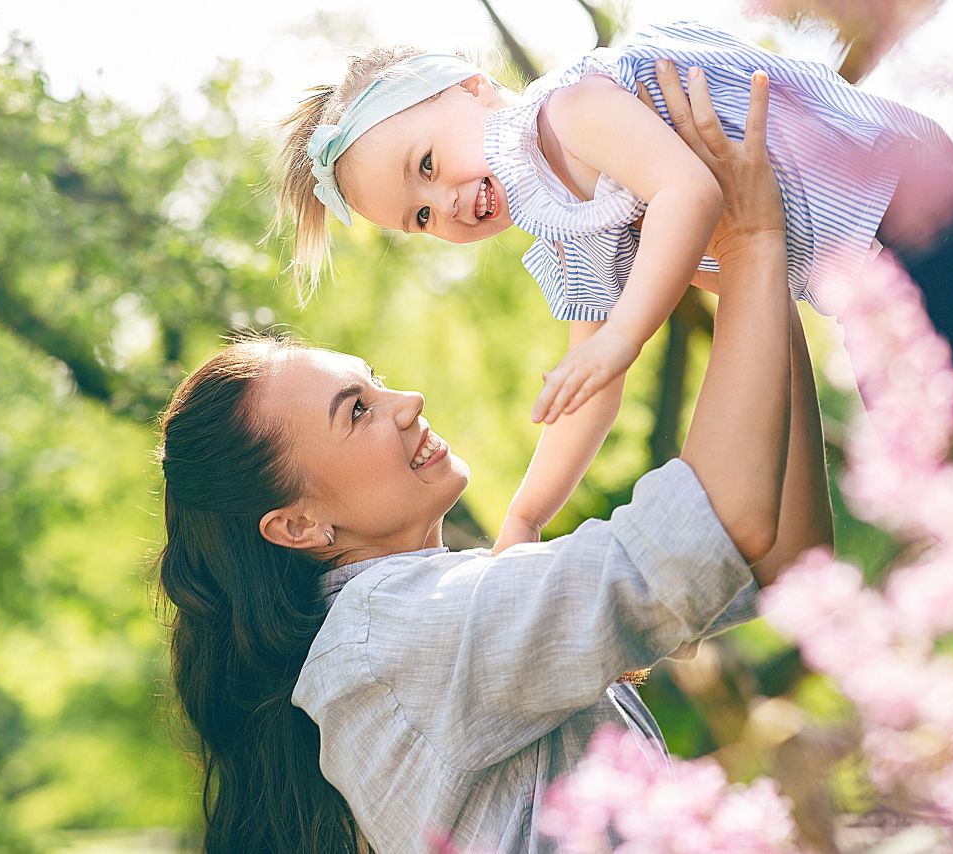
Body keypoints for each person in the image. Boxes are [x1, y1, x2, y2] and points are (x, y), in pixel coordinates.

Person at [160, 72, 832, 852]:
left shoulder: (423, 616)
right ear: (300, 524)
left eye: (374, 383)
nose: (407, 400)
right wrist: (750, 243)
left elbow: (789, 555)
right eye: (358, 409)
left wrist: (758, 272)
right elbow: (721, 530)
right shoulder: (385, 637)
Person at [272, 20, 953, 582]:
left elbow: (689, 191)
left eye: (425, 163)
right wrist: (524, 515)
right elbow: (586, 384)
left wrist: (623, 335)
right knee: (936, 480)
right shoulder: (560, 229)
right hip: (865, 272)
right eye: (419, 218)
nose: (443, 203)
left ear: (475, 90)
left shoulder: (572, 110)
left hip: (899, 200)